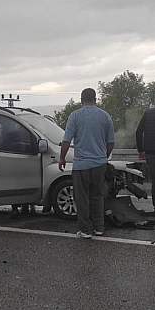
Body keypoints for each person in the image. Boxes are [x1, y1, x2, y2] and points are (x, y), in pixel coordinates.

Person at [59, 88, 115, 239]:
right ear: (95, 99)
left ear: (81, 100)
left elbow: (66, 140)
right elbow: (110, 142)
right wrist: (104, 156)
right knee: (97, 195)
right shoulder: (105, 116)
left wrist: (62, 158)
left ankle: (85, 229)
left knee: (82, 197)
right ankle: (99, 227)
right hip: (99, 163)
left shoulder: (75, 116)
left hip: (81, 165)